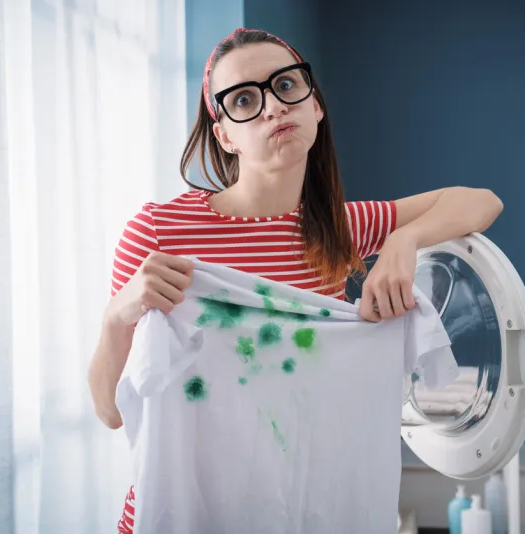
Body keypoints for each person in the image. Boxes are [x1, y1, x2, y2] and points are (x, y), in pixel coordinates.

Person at [87, 27, 503, 534]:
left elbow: (481, 200)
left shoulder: (338, 229)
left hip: (294, 509)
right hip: (178, 511)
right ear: (224, 134)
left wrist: (404, 242)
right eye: (244, 99)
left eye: (286, 86)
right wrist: (117, 314)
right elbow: (110, 411)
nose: (271, 107)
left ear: (315, 105)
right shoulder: (159, 231)